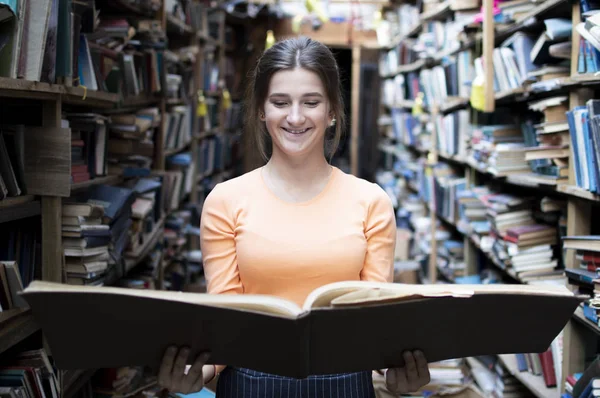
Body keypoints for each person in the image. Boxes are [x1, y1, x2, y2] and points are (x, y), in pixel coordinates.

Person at [157, 36, 430, 397]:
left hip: (345, 384)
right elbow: (223, 323)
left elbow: (374, 327)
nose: (296, 117)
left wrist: (399, 376)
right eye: (280, 102)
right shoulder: (225, 201)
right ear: (260, 110)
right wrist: (196, 375)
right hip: (250, 384)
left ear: (332, 110)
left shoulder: (371, 201)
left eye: (312, 102)